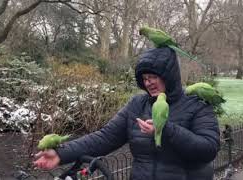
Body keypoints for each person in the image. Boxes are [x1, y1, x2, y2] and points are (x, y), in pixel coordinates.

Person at [34, 47, 220, 180]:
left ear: (169, 77)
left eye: (153, 77)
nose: (148, 83)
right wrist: (61, 154)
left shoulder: (196, 105)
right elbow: (105, 137)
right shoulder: (137, 105)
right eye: (145, 79)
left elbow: (208, 149)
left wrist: (165, 130)